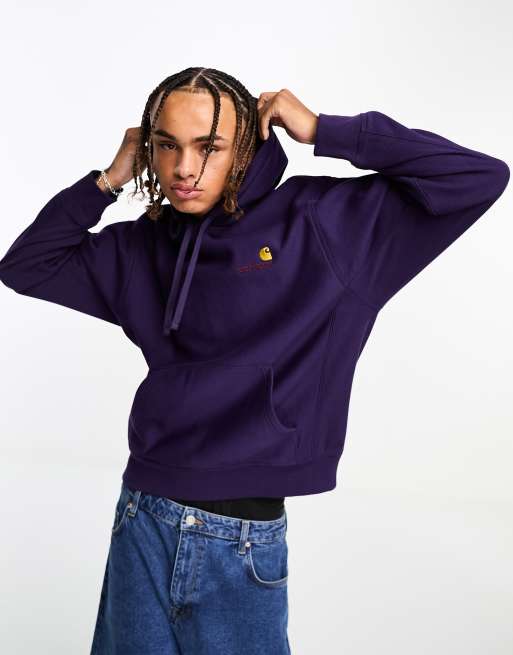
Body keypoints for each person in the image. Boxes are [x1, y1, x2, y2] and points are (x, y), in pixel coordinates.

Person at [0, 66, 509, 654]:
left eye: (208, 147)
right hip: (143, 514)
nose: (184, 168)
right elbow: (26, 266)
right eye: (167, 146)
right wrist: (108, 180)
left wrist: (325, 130)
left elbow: (479, 177)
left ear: (246, 146)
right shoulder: (144, 243)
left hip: (241, 538)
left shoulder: (324, 224)